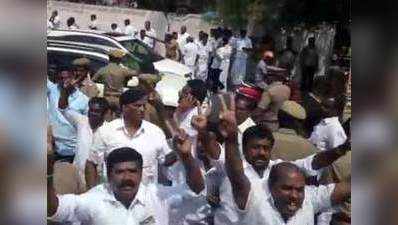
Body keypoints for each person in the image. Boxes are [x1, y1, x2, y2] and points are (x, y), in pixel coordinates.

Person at [210, 96, 351, 225]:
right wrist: (231, 138)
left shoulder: (299, 188)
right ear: (270, 187)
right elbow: (235, 175)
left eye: (299, 189)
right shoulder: (255, 197)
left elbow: (313, 164)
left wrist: (343, 149)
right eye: (287, 188)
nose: (294, 195)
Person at [48, 143, 204, 225]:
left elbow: (195, 189)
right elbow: (55, 208)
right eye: (120, 172)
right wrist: (45, 175)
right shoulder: (94, 199)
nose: (127, 177)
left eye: (132, 171)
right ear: (109, 175)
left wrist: (186, 157)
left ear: (141, 173)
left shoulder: (157, 195)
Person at [85, 87, 175, 189]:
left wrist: (179, 150)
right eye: (137, 106)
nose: (142, 109)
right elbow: (91, 163)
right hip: (113, 196)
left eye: (144, 106)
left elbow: (166, 160)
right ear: (124, 108)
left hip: (146, 197)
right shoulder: (106, 131)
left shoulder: (155, 132)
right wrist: (92, 193)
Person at [58, 81, 112, 189]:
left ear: (105, 113)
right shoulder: (81, 122)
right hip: (77, 177)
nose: (92, 114)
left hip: (97, 181)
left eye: (96, 111)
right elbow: (63, 108)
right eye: (91, 110)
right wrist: (65, 92)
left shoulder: (110, 130)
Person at [47, 67, 89, 162]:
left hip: (73, 150)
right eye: (62, 78)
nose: (65, 81)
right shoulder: (52, 90)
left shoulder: (84, 100)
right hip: (53, 148)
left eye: (68, 78)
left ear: (74, 77)